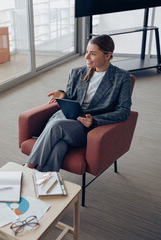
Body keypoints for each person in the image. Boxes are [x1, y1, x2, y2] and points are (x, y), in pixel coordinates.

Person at [25, 34, 132, 172]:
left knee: (56, 126)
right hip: (65, 120)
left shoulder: (121, 78)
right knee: (59, 147)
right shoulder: (76, 72)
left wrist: (95, 121)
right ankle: (44, 182)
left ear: (107, 55)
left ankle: (28, 166)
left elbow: (124, 112)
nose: (86, 57)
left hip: (85, 128)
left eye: (93, 53)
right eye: (87, 52)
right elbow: (71, 99)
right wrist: (63, 95)